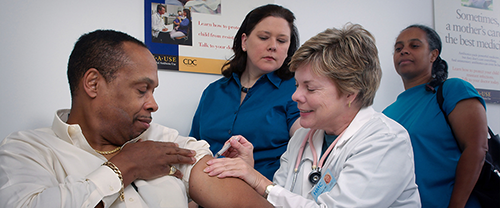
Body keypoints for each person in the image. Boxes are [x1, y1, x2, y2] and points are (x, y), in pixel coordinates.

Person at [0, 29, 273, 208]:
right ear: (93, 84)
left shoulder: (165, 141)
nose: (153, 104)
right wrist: (126, 166)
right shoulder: (27, 151)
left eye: (153, 91)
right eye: (142, 90)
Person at [203, 23, 421, 207]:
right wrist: (248, 174)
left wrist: (259, 182)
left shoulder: (385, 141)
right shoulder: (303, 137)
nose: (295, 96)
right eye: (297, 84)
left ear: (350, 93)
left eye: (310, 88)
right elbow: (276, 199)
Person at [190, 4, 301, 180]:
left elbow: (307, 143)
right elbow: (194, 148)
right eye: (264, 37)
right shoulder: (213, 92)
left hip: (264, 194)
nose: (273, 46)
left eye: (281, 41)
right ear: (244, 41)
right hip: (207, 191)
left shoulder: (297, 90)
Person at [383, 24, 488, 208]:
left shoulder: (452, 90)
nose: (404, 51)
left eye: (414, 46)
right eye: (398, 48)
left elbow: (476, 149)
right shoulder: (386, 114)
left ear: (433, 55)